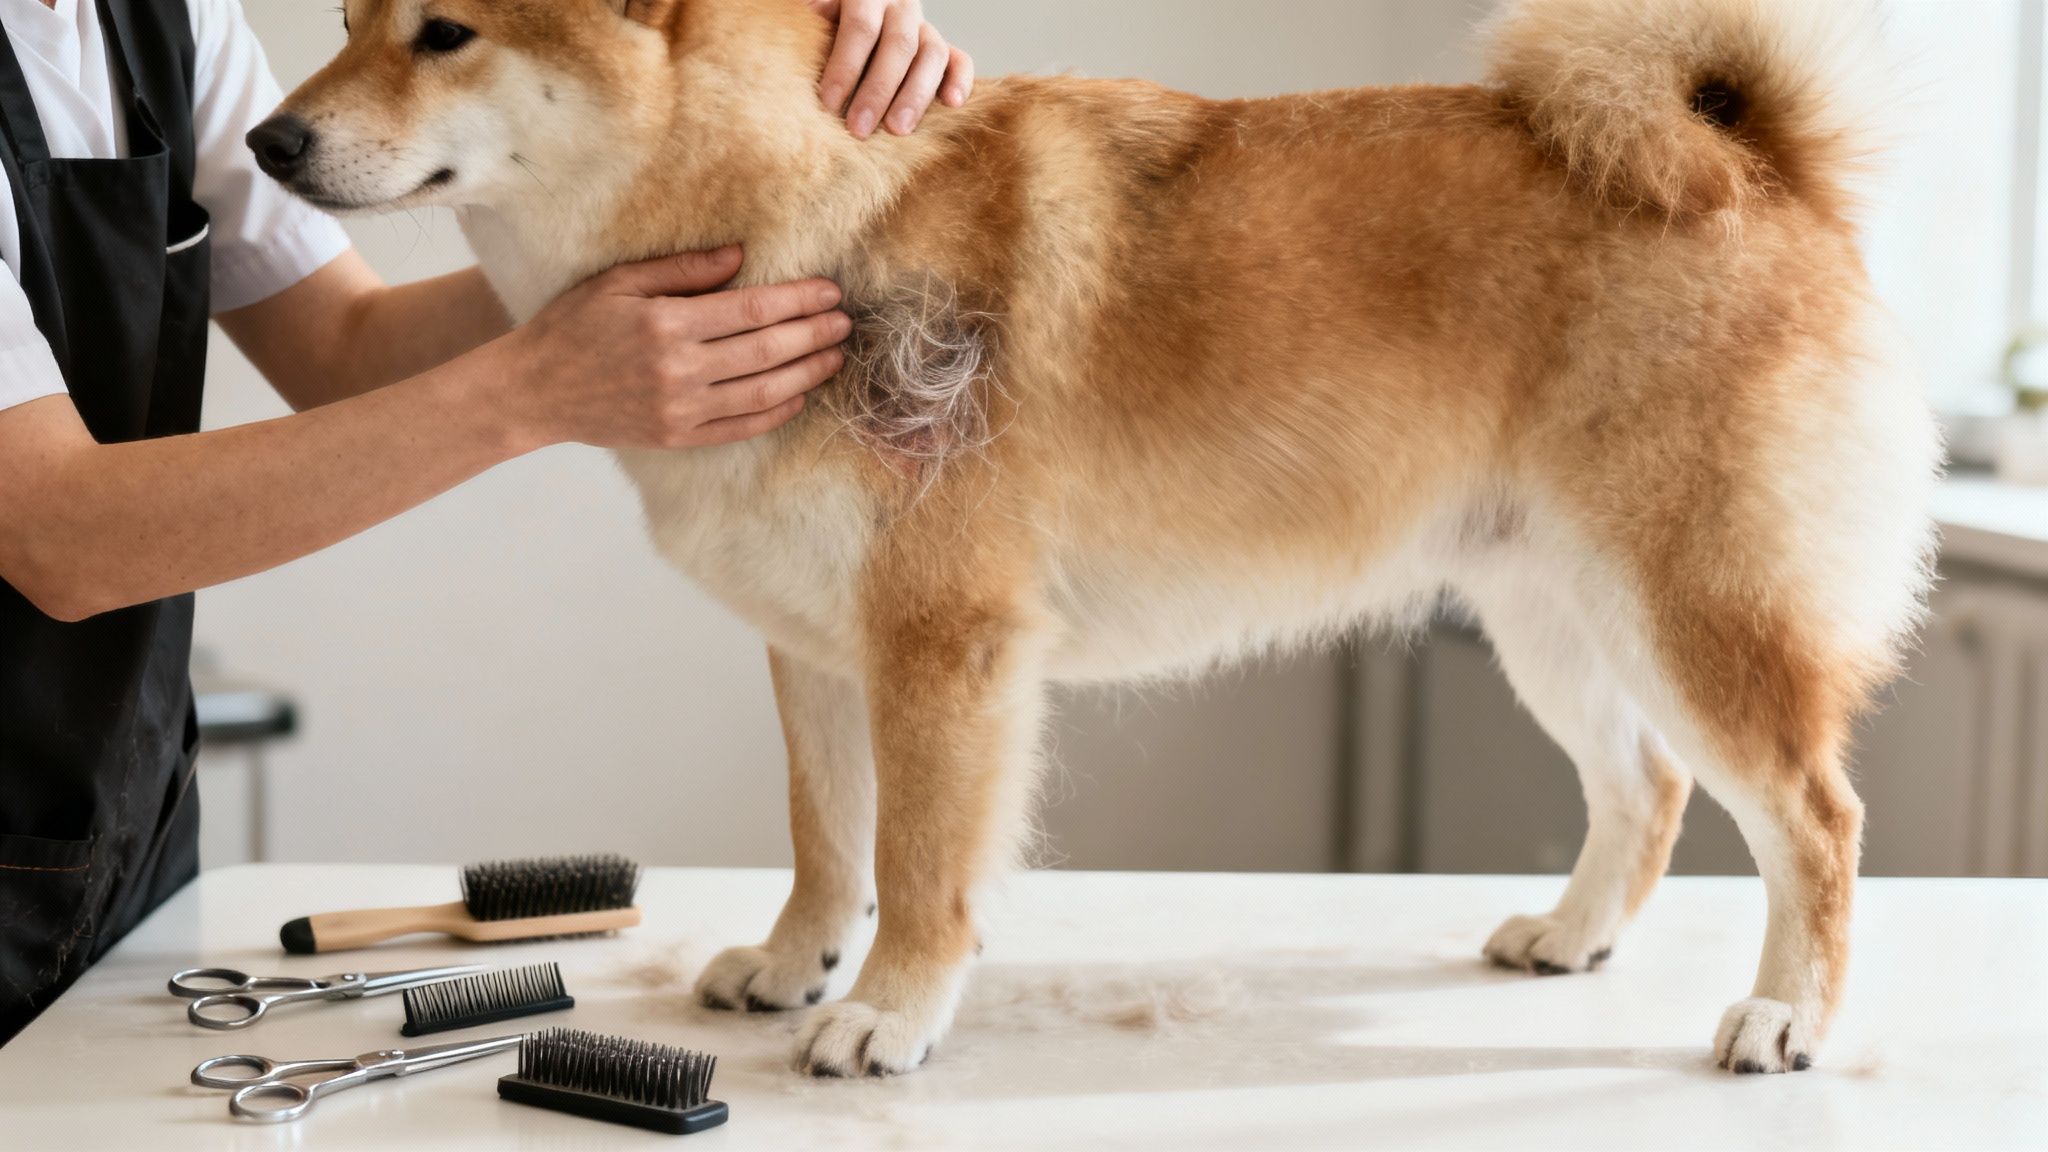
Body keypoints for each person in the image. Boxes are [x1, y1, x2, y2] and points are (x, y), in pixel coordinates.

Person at [0, 0, 973, 1045]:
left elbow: (344, 347)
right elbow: (56, 535)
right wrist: (531, 391)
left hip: (115, 836)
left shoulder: (164, 19)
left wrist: (734, 162)